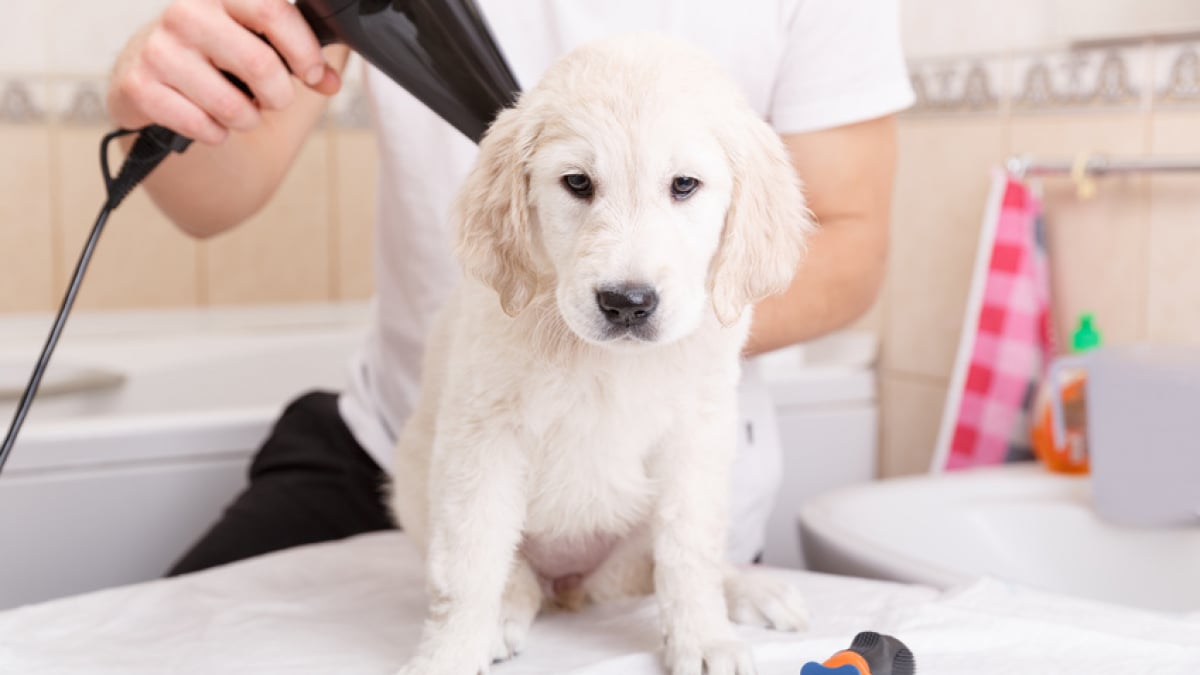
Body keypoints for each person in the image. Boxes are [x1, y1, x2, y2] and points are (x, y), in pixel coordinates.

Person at [106, 0, 912, 575]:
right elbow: (207, 203)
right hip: (398, 452)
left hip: (650, 486)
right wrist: (168, 88)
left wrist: (620, 312)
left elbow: (848, 246)